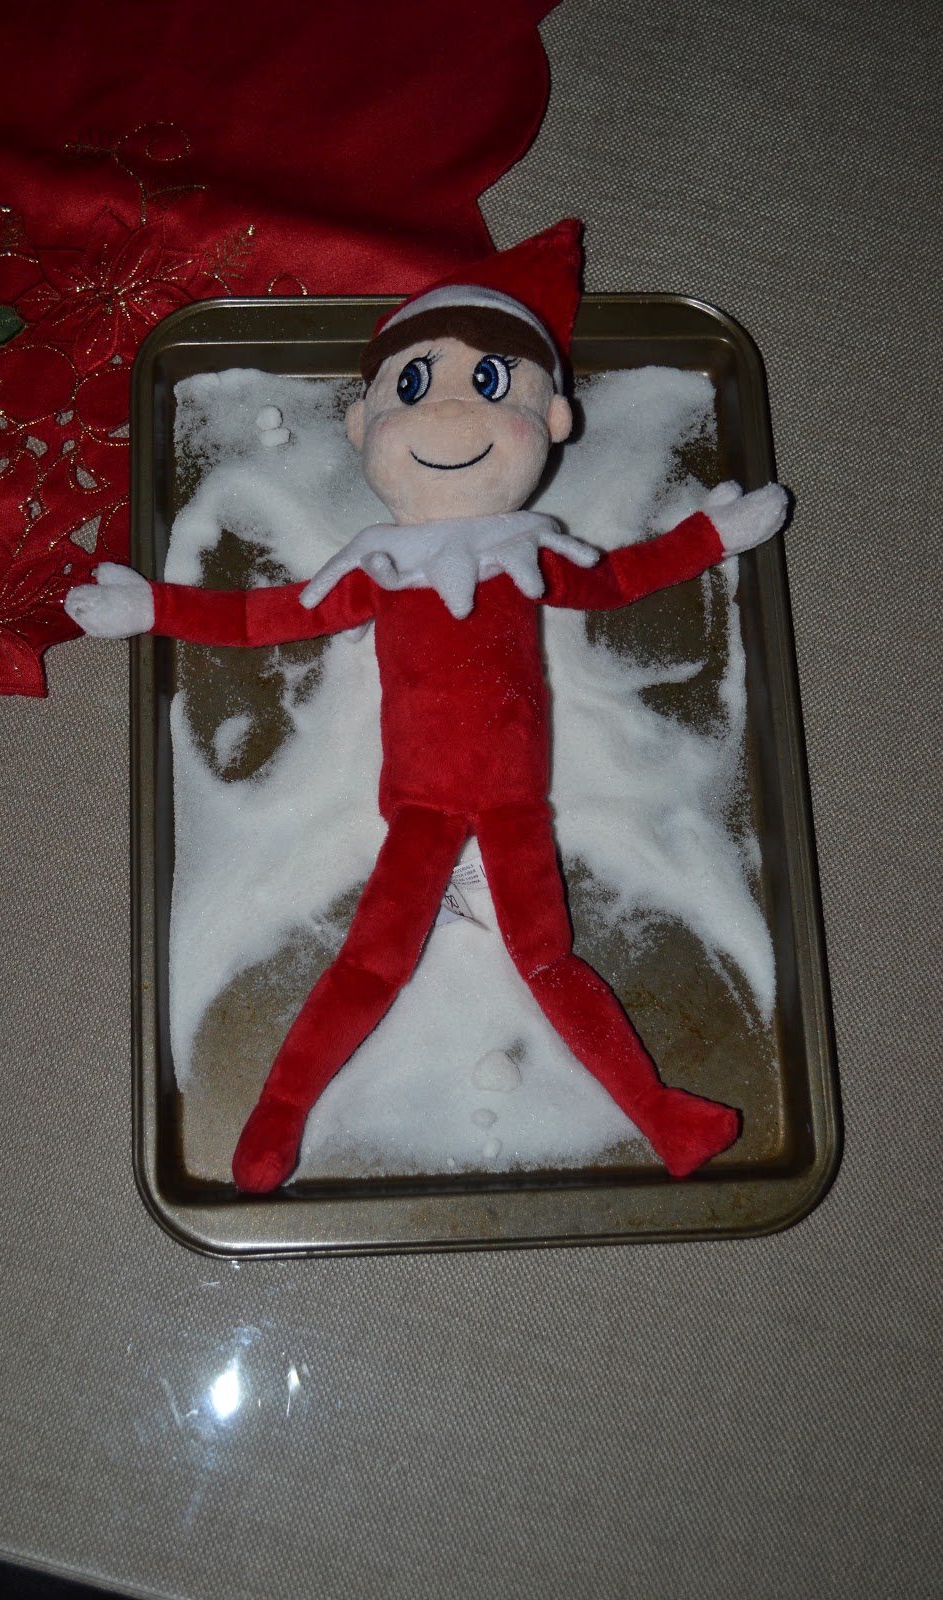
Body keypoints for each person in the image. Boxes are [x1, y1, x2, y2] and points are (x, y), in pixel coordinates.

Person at [66, 220, 788, 1192]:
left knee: (547, 961)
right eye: (414, 384)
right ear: (362, 424)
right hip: (416, 808)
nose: (448, 412)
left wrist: (710, 535)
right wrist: (151, 606)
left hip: (516, 806)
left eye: (489, 383)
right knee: (371, 964)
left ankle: (661, 1116)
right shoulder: (382, 569)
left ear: (552, 420)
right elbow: (258, 617)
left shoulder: (529, 556)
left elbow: (620, 578)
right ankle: (275, 1121)